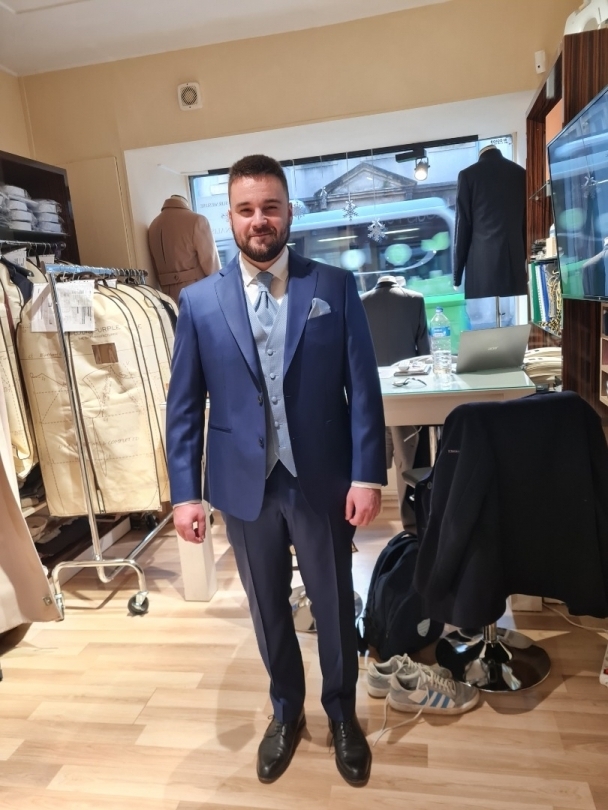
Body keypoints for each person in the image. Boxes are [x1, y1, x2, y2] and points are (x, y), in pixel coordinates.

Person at [166, 155, 386, 787]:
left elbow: (363, 389)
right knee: (265, 606)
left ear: (289, 211)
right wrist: (185, 494)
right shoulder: (198, 302)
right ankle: (286, 711)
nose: (258, 220)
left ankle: (341, 712)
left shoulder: (333, 286)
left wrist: (367, 475)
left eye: (270, 207)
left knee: (333, 603)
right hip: (243, 484)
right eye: (245, 209)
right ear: (229, 217)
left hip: (321, 478)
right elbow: (184, 406)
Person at [361, 275, 430, 529]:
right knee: (408, 462)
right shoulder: (415, 300)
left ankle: (361, 520)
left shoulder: (360, 302)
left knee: (368, 462)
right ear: (398, 284)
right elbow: (424, 353)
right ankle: (412, 525)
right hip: (406, 393)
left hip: (371, 395)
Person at [148, 194, 220, 302]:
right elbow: (212, 268)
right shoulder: (197, 220)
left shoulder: (153, 226)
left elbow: (156, 270)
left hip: (167, 300)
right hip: (197, 294)